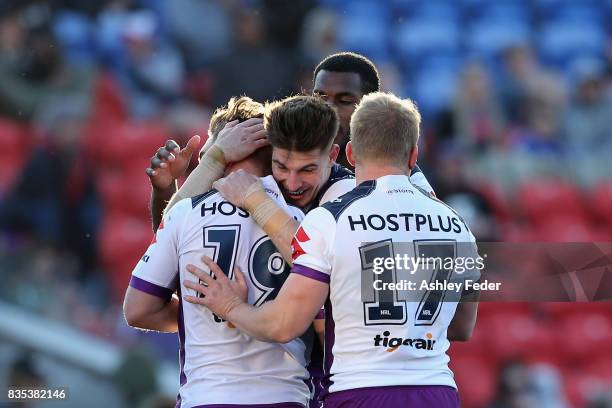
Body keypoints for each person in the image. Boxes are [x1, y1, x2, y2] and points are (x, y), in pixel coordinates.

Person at [184, 92, 479, 407]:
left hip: (360, 390)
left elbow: (283, 325)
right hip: (437, 391)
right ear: (412, 156)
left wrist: (230, 306)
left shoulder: (332, 218)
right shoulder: (456, 224)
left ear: (349, 155)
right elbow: (461, 326)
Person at [123, 96, 311, 407]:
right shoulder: (306, 217)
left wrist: (199, 311)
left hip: (209, 396)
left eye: (208, 155)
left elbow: (138, 310)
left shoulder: (187, 214)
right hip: (285, 396)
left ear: (230, 149)